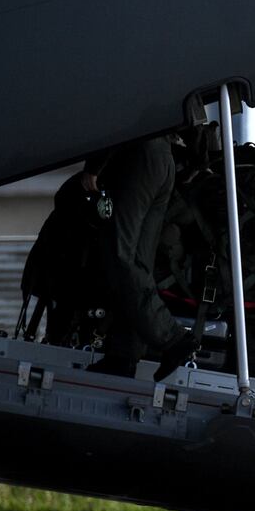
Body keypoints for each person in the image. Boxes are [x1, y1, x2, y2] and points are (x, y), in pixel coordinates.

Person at [86, 135, 196, 380]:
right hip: (161, 157)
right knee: (138, 263)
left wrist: (94, 167)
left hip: (138, 155)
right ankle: (123, 355)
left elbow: (118, 119)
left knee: (120, 255)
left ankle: (172, 338)